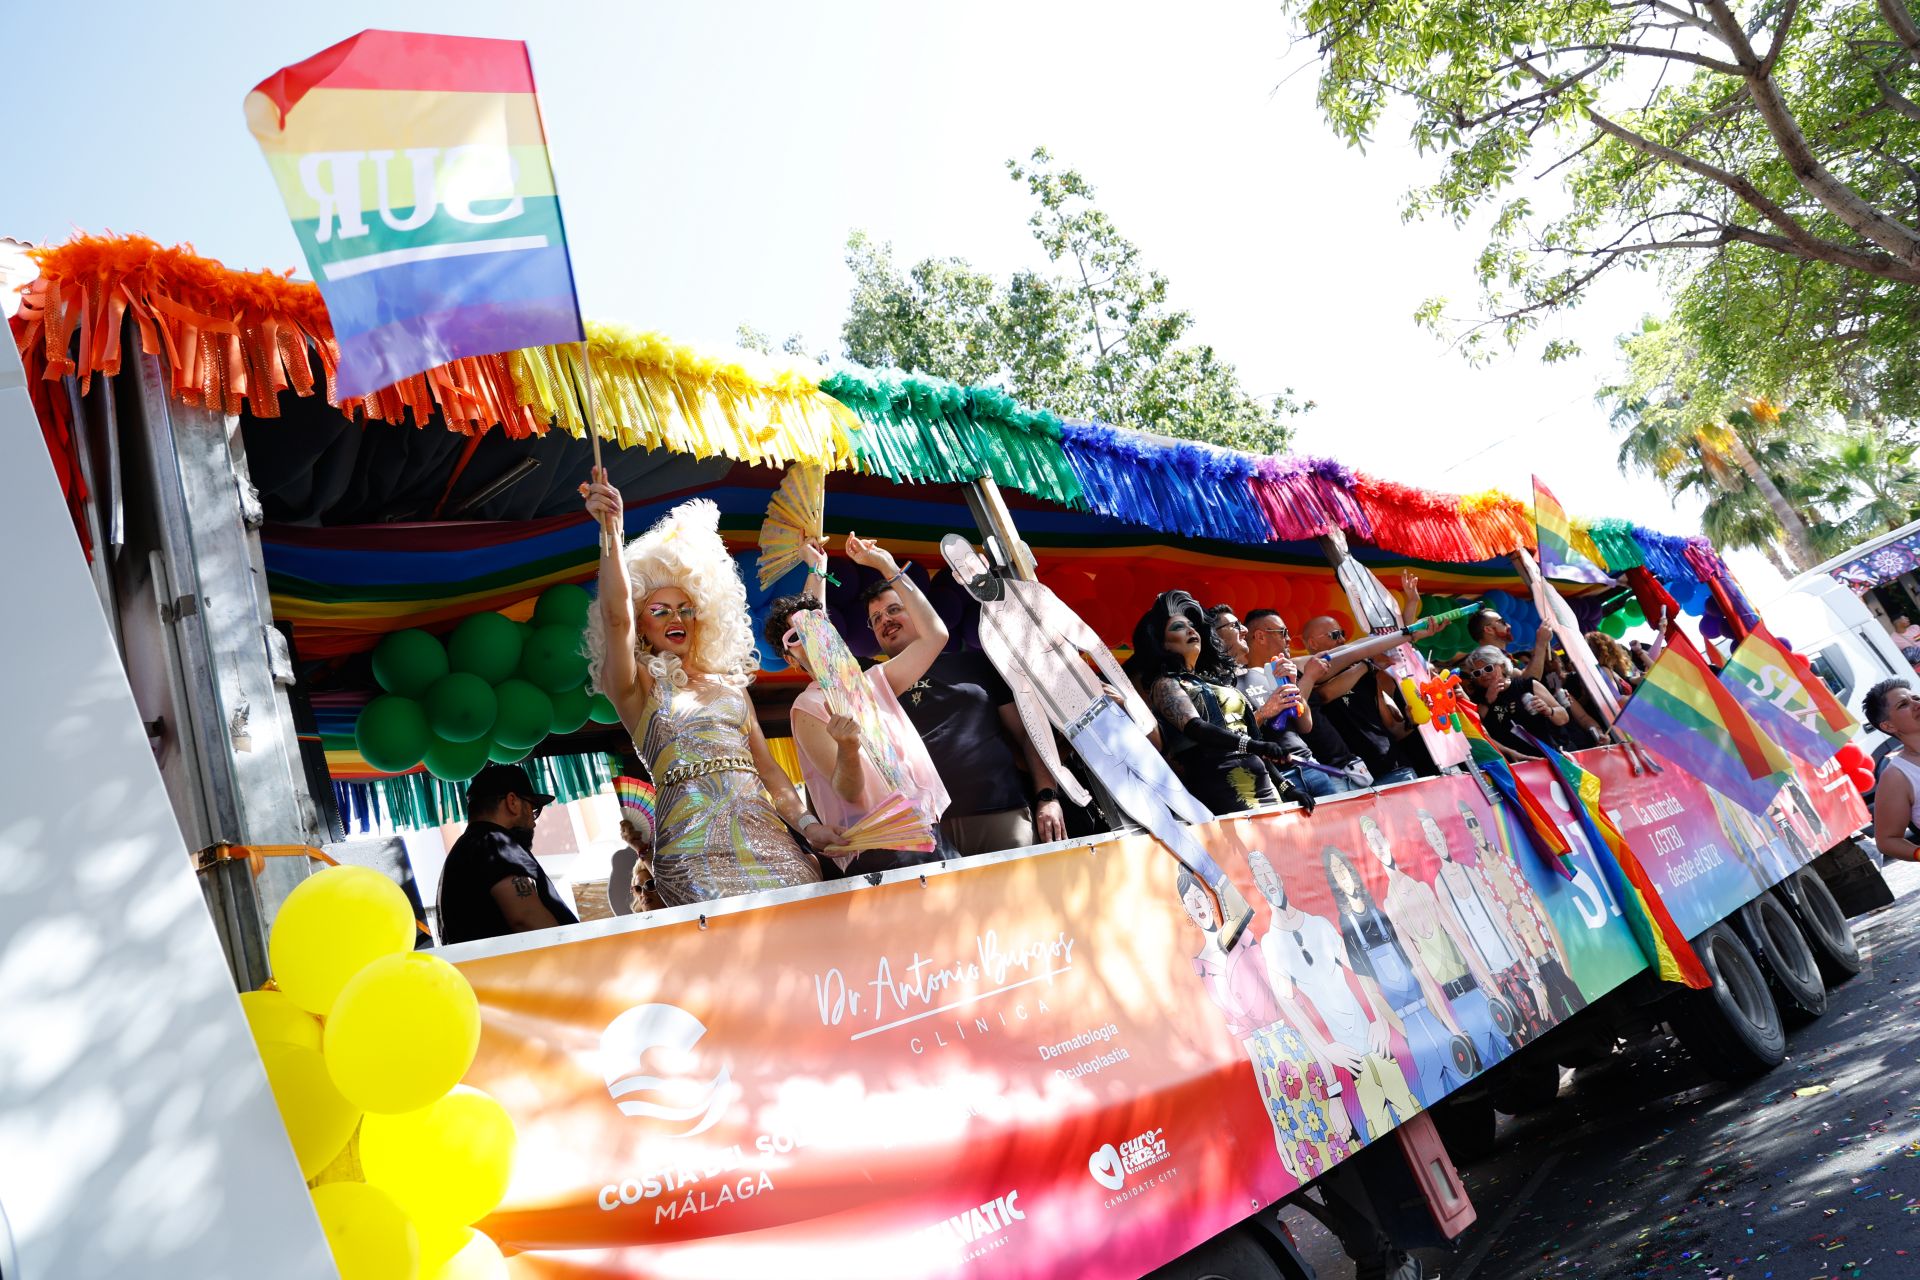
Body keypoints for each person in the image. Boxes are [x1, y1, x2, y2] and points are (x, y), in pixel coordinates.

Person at [582, 476, 831, 904]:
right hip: (693, 854)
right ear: (643, 624)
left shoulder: (730, 687)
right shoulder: (635, 684)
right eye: (658, 610)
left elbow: (770, 771)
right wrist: (610, 532)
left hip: (769, 840)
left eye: (685, 608)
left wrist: (809, 827)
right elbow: (616, 616)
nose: (674, 617)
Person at [769, 532, 952, 876]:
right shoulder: (807, 707)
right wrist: (849, 748)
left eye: (818, 626)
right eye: (796, 636)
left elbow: (935, 635)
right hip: (880, 852)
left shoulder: (871, 681)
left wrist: (884, 566)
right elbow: (848, 792)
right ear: (790, 658)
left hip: (931, 832)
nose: (810, 634)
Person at [861, 577, 1067, 856]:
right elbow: (817, 646)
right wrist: (816, 568)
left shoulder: (975, 662)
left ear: (919, 609)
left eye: (894, 609)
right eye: (875, 618)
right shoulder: (872, 682)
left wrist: (1047, 796)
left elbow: (1027, 734)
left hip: (1001, 813)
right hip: (927, 830)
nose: (885, 620)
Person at [1179, 868, 1354, 1183]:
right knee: (1309, 1165)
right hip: (1272, 1076)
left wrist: (1334, 1092)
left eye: (1200, 896)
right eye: (1191, 901)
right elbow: (1249, 1047)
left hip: (1297, 1050)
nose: (1199, 904)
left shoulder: (1245, 939)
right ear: (1186, 910)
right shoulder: (1203, 967)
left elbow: (1292, 1008)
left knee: (1340, 1147)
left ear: (1209, 898)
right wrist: (1276, 1127)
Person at [1247, 850, 1420, 1144]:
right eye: (1259, 876)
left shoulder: (1319, 925)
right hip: (1349, 1059)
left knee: (1409, 1106)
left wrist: (1379, 1018)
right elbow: (1293, 1010)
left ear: (1278, 876)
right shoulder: (1272, 945)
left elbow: (1362, 973)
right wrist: (1327, 1049)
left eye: (1268, 872)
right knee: (1377, 1129)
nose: (1268, 881)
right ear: (1257, 885)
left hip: (1376, 1043)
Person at [1359, 814, 1516, 1076]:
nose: (1377, 844)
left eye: (1378, 837)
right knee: (1490, 1067)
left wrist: (1494, 992)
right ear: (1370, 851)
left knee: (1507, 1051)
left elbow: (1461, 941)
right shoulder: (1390, 904)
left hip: (1475, 990)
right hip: (1453, 1001)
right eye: (1370, 841)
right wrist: (1451, 1026)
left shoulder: (1423, 888)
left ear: (1386, 840)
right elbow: (1420, 971)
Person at [1321, 843, 1468, 1105]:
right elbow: (1371, 990)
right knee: (1434, 1089)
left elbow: (1414, 966)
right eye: (1337, 873)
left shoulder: (1378, 913)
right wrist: (1403, 1030)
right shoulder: (1348, 926)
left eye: (1345, 868)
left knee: (1463, 1073)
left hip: (1427, 1009)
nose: (1344, 876)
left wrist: (1438, 1015)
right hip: (1405, 1022)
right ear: (1334, 883)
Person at [1127, 590, 1293, 814]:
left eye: (1191, 625)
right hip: (1221, 784)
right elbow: (1195, 728)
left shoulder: (1218, 682)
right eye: (1178, 627)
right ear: (1163, 644)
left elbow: (1254, 738)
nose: (1190, 630)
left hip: (1263, 781)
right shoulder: (1165, 684)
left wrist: (1285, 786)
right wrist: (1253, 746)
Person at [1419, 809, 1546, 1044]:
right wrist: (1490, 988)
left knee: (1546, 1023)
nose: (1436, 839)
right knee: (1522, 1038)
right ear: (1428, 842)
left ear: (1443, 834)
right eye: (1430, 835)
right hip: (1492, 974)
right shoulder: (1440, 884)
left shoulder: (1470, 872)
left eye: (1437, 832)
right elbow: (1461, 940)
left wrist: (1532, 976)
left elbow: (1503, 922)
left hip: (1514, 964)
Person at [1457, 800, 1586, 1021]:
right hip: (1531, 963)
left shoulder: (1507, 861)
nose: (1474, 828)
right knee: (1559, 1017)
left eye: (1474, 822)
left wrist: (1564, 963)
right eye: (1468, 825)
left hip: (1547, 949)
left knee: (1579, 1003)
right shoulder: (1478, 875)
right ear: (1465, 832)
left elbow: (1539, 908)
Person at [437, 763, 579, 945]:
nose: (533, 823)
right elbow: (526, 917)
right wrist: (571, 955)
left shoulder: (466, 848)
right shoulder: (494, 842)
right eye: (532, 809)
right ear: (512, 802)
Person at [1249, 610, 1370, 793]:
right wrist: (1308, 678)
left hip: (1321, 767)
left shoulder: (1292, 667)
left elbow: (1305, 724)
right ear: (1260, 636)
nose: (1289, 638)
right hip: (1291, 775)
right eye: (1283, 632)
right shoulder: (1244, 679)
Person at [1300, 616, 1424, 785]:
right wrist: (1367, 665)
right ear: (1313, 643)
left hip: (1394, 768)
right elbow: (1324, 695)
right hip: (1355, 779)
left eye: (1342, 633)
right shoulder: (1307, 681)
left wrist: (1411, 721)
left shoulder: (1366, 674)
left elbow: (1391, 729)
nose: (1342, 640)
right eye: (1335, 635)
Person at [1463, 644, 1575, 761]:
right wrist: (1487, 701)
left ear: (1501, 666)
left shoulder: (1526, 685)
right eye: (1477, 673)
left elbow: (1564, 717)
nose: (1483, 675)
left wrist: (1548, 710)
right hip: (1515, 764)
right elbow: (1477, 731)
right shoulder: (1477, 698)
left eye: (1488, 668)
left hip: (1550, 756)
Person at [1866, 678, 1920, 862]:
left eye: (1916, 698)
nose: (1916, 704)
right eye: (1904, 704)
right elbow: (1887, 840)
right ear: (1889, 726)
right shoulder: (1898, 776)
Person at [1467, 608, 1549, 681]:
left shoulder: (1498, 655)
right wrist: (1541, 643)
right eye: (1502, 622)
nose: (1508, 625)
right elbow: (1529, 680)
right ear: (1488, 630)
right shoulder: (1484, 660)